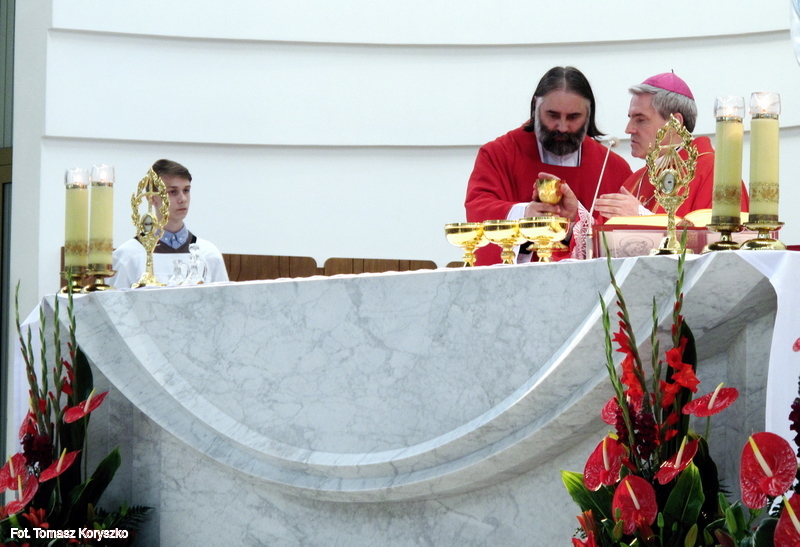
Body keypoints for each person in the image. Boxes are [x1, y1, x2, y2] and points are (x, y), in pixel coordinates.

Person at [464, 66, 633, 265]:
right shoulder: (498, 155)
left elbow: (628, 239)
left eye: (573, 117)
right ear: (536, 106)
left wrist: (574, 227)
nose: (562, 127)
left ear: (589, 114)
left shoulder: (613, 168)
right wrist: (525, 215)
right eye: (553, 115)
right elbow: (479, 209)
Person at [594, 72, 749, 219]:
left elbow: (713, 235)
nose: (629, 130)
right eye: (631, 118)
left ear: (674, 123)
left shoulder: (715, 174)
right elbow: (602, 232)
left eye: (640, 120)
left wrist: (641, 217)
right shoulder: (635, 181)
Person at [110, 159, 229, 288]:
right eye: (173, 192)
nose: (183, 199)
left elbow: (224, 299)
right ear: (152, 198)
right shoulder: (128, 256)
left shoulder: (208, 254)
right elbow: (114, 300)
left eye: (186, 190)